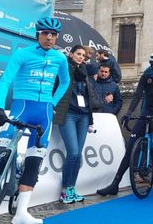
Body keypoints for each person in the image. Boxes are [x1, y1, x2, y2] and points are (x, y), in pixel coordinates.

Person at [0, 17, 70, 224]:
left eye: (53, 35)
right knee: (0, 153)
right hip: (21, 108)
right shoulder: (23, 53)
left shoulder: (60, 58)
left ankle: (21, 214)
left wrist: (52, 103)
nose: (50, 38)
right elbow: (6, 79)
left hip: (43, 113)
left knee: (33, 164)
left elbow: (66, 81)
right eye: (45, 33)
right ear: (38, 34)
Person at [96, 52, 153, 196]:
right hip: (147, 112)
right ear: (152, 64)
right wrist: (128, 113)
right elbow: (138, 95)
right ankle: (115, 184)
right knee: (131, 147)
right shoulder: (146, 76)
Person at [53, 45, 100, 204]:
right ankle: (65, 190)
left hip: (84, 115)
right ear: (71, 54)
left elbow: (88, 94)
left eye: (83, 55)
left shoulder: (85, 71)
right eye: (78, 54)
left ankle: (72, 188)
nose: (81, 57)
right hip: (68, 114)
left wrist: (91, 118)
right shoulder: (64, 68)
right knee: (72, 152)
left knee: (78, 154)